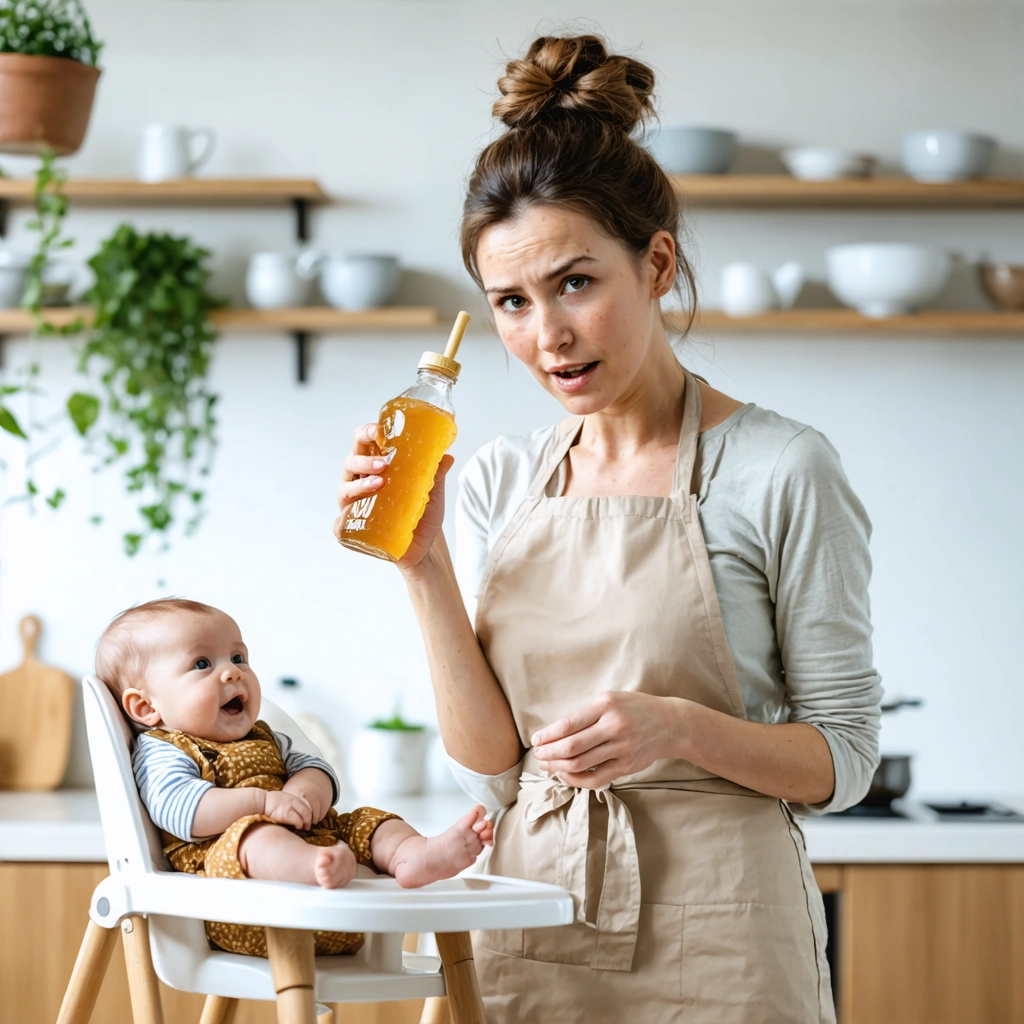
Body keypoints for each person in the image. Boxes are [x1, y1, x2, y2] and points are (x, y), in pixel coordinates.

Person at [336, 34, 880, 1022]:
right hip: (529, 914)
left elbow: (842, 759)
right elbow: (496, 769)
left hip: (724, 927)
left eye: (575, 283)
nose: (545, 336)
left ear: (656, 262)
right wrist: (423, 568)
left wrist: (677, 727)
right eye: (511, 301)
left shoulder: (782, 468)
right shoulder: (502, 478)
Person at [96, 597, 492, 958]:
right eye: (202, 664)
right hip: (242, 905)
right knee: (254, 837)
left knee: (370, 821)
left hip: (335, 898)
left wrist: (304, 792)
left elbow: (315, 769)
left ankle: (414, 855)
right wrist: (263, 804)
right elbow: (183, 809)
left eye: (238, 657)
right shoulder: (163, 750)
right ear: (146, 706)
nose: (232, 674)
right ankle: (312, 867)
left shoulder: (267, 734)